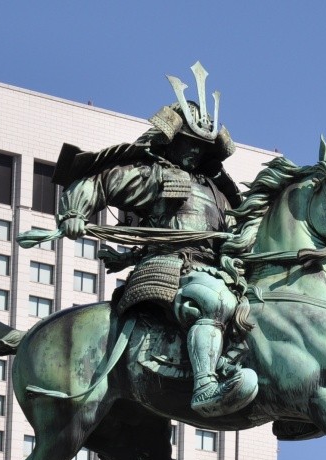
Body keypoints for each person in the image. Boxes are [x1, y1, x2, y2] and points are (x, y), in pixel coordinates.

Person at [53, 66, 256, 418]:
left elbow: (239, 234)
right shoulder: (160, 177)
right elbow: (102, 181)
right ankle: (206, 385)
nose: (194, 152)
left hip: (216, 270)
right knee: (212, 301)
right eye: (188, 144)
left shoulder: (221, 195)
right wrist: (74, 212)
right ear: (171, 142)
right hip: (170, 267)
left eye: (201, 147)